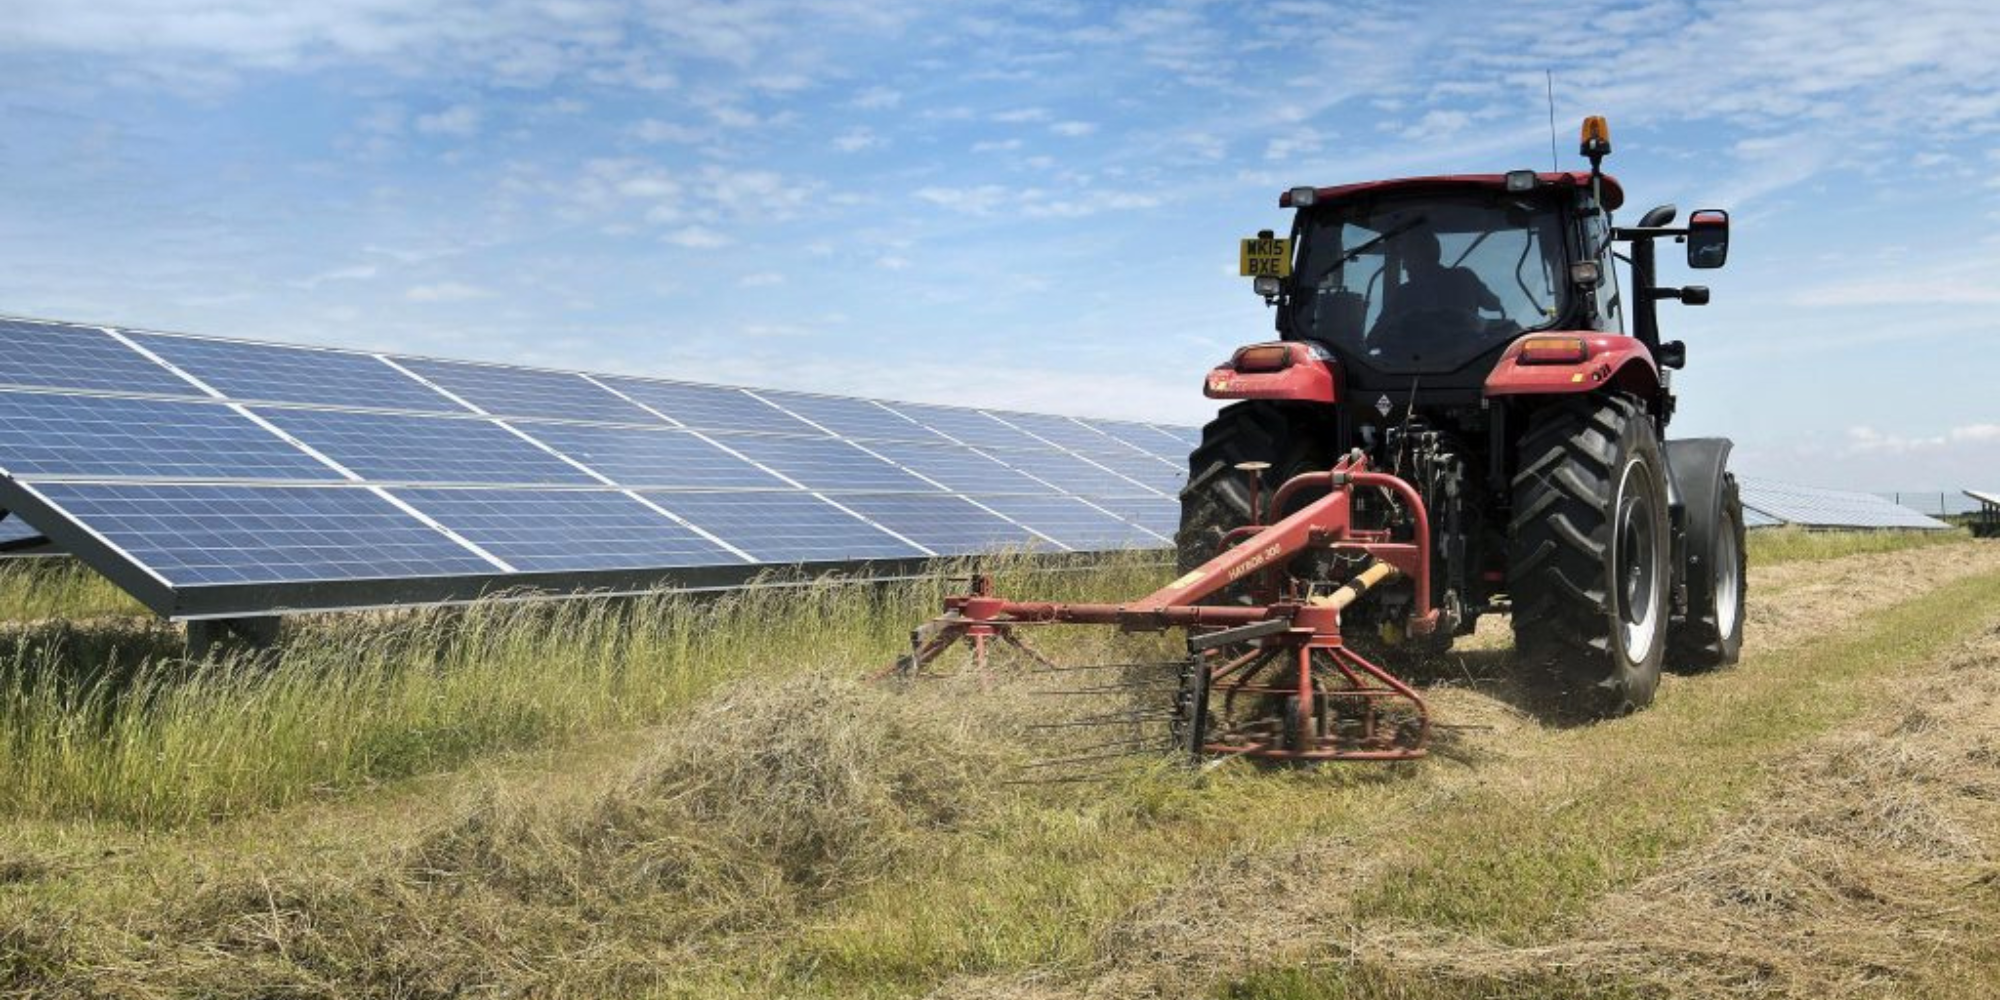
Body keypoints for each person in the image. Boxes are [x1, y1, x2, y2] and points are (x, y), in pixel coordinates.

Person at [1384, 228, 1501, 323]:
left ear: (1422, 254)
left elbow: (1375, 338)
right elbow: (1494, 304)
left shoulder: (1402, 295)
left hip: (1422, 352)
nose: (1404, 266)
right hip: (1475, 350)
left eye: (1407, 257)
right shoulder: (1465, 276)